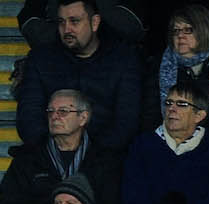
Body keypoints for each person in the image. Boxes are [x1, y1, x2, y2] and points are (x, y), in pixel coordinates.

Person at [15, 0, 147, 152]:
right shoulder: (41, 59)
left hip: (107, 159)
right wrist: (57, 152)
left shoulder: (124, 59)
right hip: (50, 156)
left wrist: (91, 157)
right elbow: (29, 119)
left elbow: (126, 122)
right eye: (61, 22)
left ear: (95, 22)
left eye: (74, 21)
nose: (67, 29)